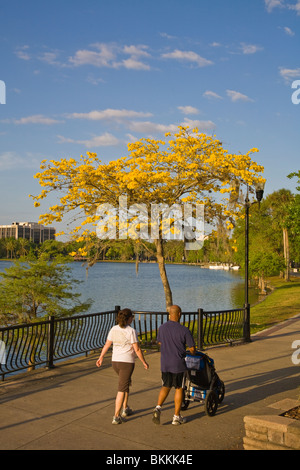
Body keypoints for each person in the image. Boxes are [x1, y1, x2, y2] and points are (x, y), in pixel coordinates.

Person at [96, 308, 149, 424]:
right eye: (132, 317)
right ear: (129, 318)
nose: (133, 319)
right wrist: (144, 362)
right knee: (121, 388)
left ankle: (125, 408)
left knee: (125, 383)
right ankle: (116, 416)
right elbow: (137, 349)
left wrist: (101, 357)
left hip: (115, 361)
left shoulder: (113, 329)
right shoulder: (131, 331)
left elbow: (107, 344)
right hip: (126, 363)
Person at [152, 305, 196, 426]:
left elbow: (160, 342)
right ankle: (176, 416)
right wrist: (192, 352)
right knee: (179, 388)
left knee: (166, 385)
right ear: (179, 314)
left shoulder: (162, 328)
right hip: (178, 364)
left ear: (169, 314)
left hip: (165, 363)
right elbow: (192, 348)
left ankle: (158, 407)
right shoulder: (184, 330)